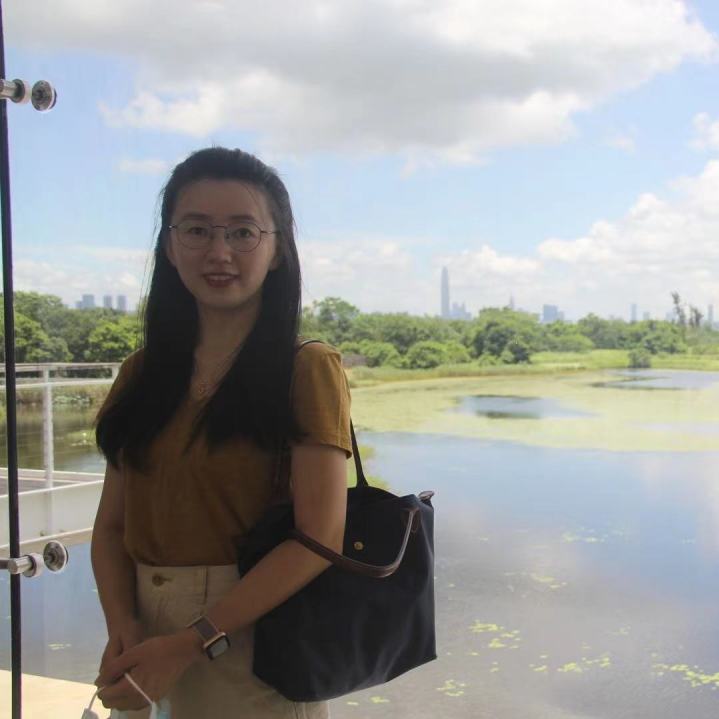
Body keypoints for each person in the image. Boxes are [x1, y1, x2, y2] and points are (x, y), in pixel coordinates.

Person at [91, 147, 352, 718]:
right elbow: (111, 528)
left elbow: (320, 538)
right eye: (196, 230)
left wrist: (192, 641)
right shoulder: (142, 374)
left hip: (248, 640)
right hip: (142, 643)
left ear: (277, 249)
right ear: (168, 246)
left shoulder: (306, 368)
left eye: (242, 232)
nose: (218, 252)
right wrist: (122, 624)